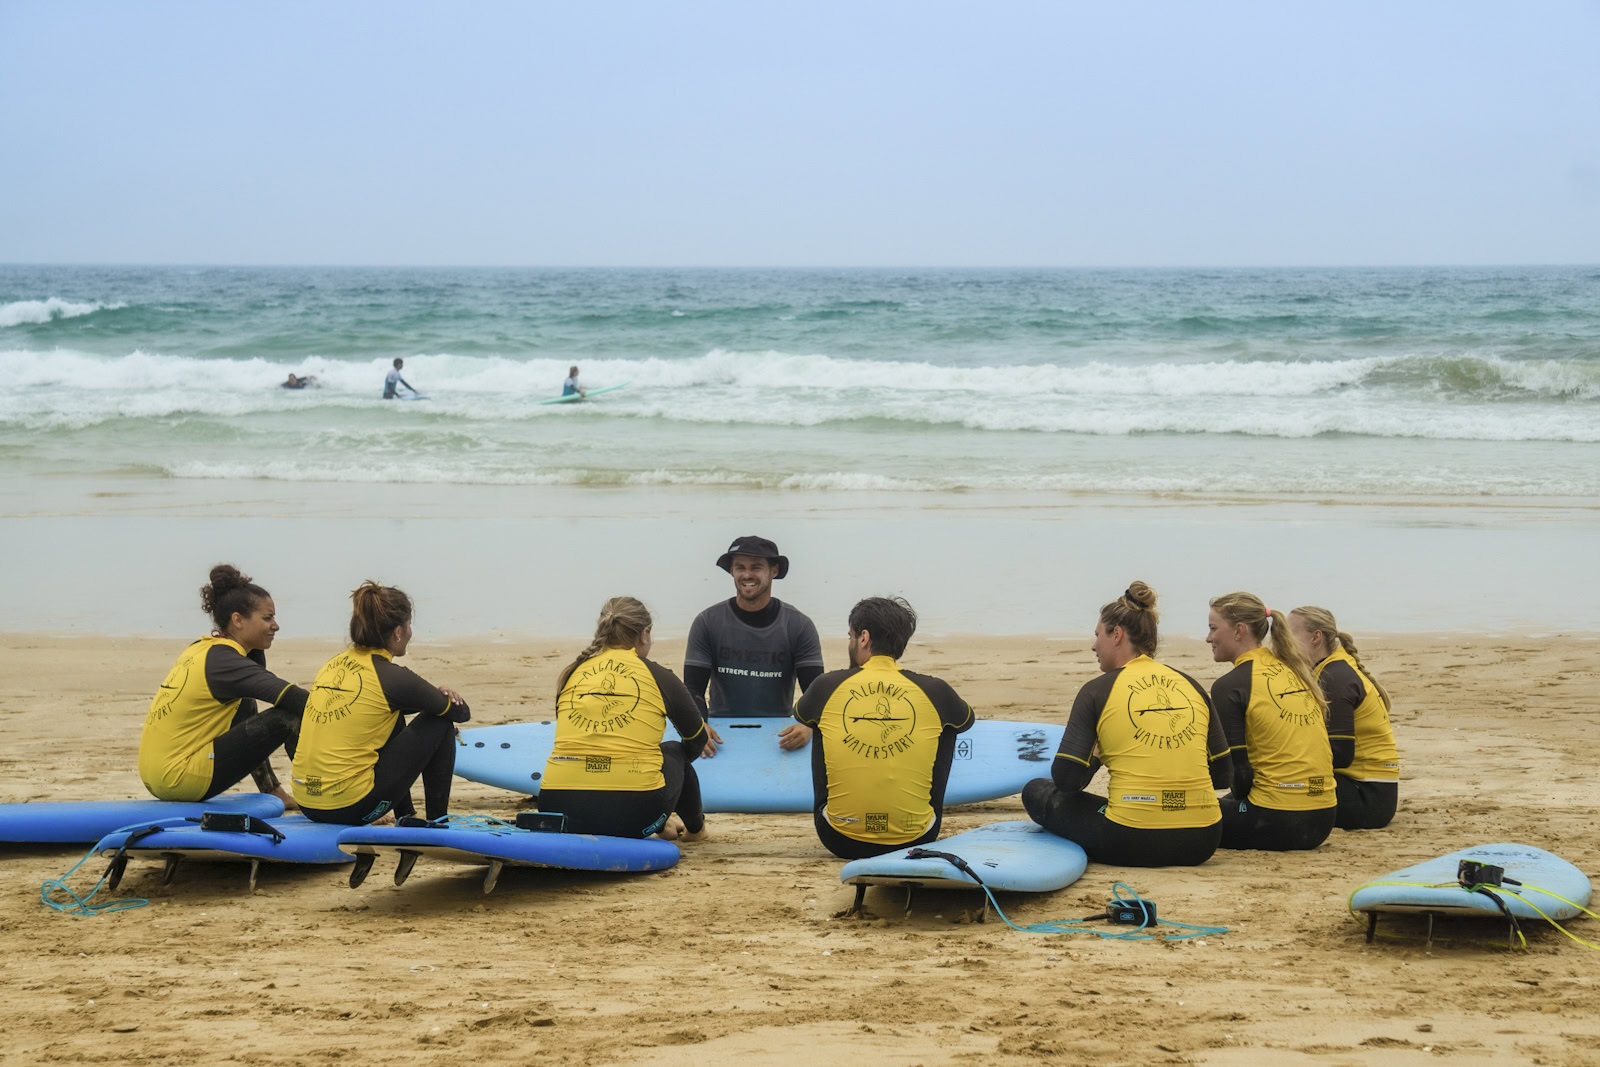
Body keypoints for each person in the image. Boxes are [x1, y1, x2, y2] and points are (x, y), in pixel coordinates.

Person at [1022, 583, 1232, 866]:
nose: (1094, 645)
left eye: (1098, 635)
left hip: (1131, 839)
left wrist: (1095, 760)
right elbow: (1223, 776)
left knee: (1036, 791)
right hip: (1203, 839)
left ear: (1117, 635)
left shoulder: (1097, 691)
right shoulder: (1191, 686)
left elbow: (1066, 781)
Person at [794, 596, 974, 859]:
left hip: (839, 837)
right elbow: (966, 721)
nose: (850, 643)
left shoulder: (826, 685)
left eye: (850, 636)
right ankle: (914, 814)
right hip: (919, 836)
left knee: (819, 719)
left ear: (864, 638)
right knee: (949, 724)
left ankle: (846, 812)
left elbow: (802, 714)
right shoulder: (936, 690)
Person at [293, 582, 469, 825]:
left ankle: (405, 816)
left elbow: (373, 705)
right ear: (398, 632)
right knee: (439, 722)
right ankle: (439, 823)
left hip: (308, 804)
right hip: (352, 808)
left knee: (391, 714)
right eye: (408, 626)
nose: (410, 633)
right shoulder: (393, 677)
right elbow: (461, 712)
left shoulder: (332, 665)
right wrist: (442, 696)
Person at [539, 597, 709, 840]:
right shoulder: (658, 675)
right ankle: (695, 831)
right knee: (675, 752)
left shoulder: (571, 673)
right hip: (637, 817)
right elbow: (697, 739)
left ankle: (661, 824)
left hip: (557, 810)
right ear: (645, 634)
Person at [138, 564, 305, 808]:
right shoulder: (225, 662)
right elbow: (292, 698)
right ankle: (324, 802)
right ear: (237, 620)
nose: (276, 625)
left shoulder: (204, 648)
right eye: (267, 618)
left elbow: (257, 689)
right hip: (181, 778)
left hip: (157, 775)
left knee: (244, 702)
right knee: (290, 715)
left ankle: (273, 791)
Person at [1207, 591, 1337, 851]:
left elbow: (1239, 775)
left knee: (1188, 817)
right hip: (1324, 817)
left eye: (1213, 628)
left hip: (1278, 820)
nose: (1208, 637)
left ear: (1239, 631)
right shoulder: (1295, 670)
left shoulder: (1230, 686)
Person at [684, 535, 824, 757]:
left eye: (756, 567)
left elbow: (816, 691)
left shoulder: (798, 625)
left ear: (774, 571)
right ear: (731, 571)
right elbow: (692, 689)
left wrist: (808, 725)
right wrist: (699, 726)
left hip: (780, 734)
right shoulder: (708, 622)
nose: (747, 575)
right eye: (740, 567)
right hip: (719, 732)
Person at [1288, 606, 1400, 830]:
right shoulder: (1333, 668)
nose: (1283, 641)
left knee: (1281, 785)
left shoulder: (1334, 677)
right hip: (1367, 791)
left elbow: (1340, 754)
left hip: (1366, 797)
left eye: (1290, 634)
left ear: (1316, 637)